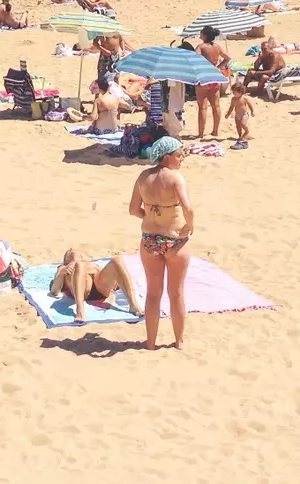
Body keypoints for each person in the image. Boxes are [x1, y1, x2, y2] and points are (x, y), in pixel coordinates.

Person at [129, 136, 194, 350]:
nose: (181, 158)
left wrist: (150, 216)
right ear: (167, 157)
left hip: (149, 240)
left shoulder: (143, 177)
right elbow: (188, 209)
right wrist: (188, 226)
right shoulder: (175, 178)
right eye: (178, 155)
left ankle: (150, 343)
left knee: (153, 294)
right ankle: (179, 341)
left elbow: (133, 210)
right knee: (176, 293)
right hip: (174, 240)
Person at [49, 248, 142, 323]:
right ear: (65, 260)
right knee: (80, 265)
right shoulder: (64, 267)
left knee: (116, 260)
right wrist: (63, 273)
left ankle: (133, 305)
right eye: (70, 252)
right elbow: (54, 291)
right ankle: (80, 309)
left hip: (100, 287)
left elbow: (114, 283)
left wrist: (116, 281)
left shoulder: (93, 265)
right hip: (83, 289)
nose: (72, 250)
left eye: (76, 252)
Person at [193, 25, 229, 135]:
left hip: (204, 78)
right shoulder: (217, 47)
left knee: (202, 108)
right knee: (216, 106)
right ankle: (215, 131)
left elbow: (194, 59)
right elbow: (227, 58)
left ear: (205, 35)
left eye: (201, 33)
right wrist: (219, 67)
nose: (200, 35)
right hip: (214, 77)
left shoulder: (201, 47)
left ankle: (201, 133)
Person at [227, 79, 254, 143]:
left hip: (244, 114)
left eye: (234, 92)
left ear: (240, 92)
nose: (233, 93)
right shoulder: (233, 99)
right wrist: (228, 114)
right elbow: (231, 107)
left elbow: (249, 105)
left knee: (243, 124)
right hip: (237, 115)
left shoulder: (244, 98)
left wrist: (252, 111)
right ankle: (240, 136)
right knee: (238, 126)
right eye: (233, 91)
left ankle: (247, 131)